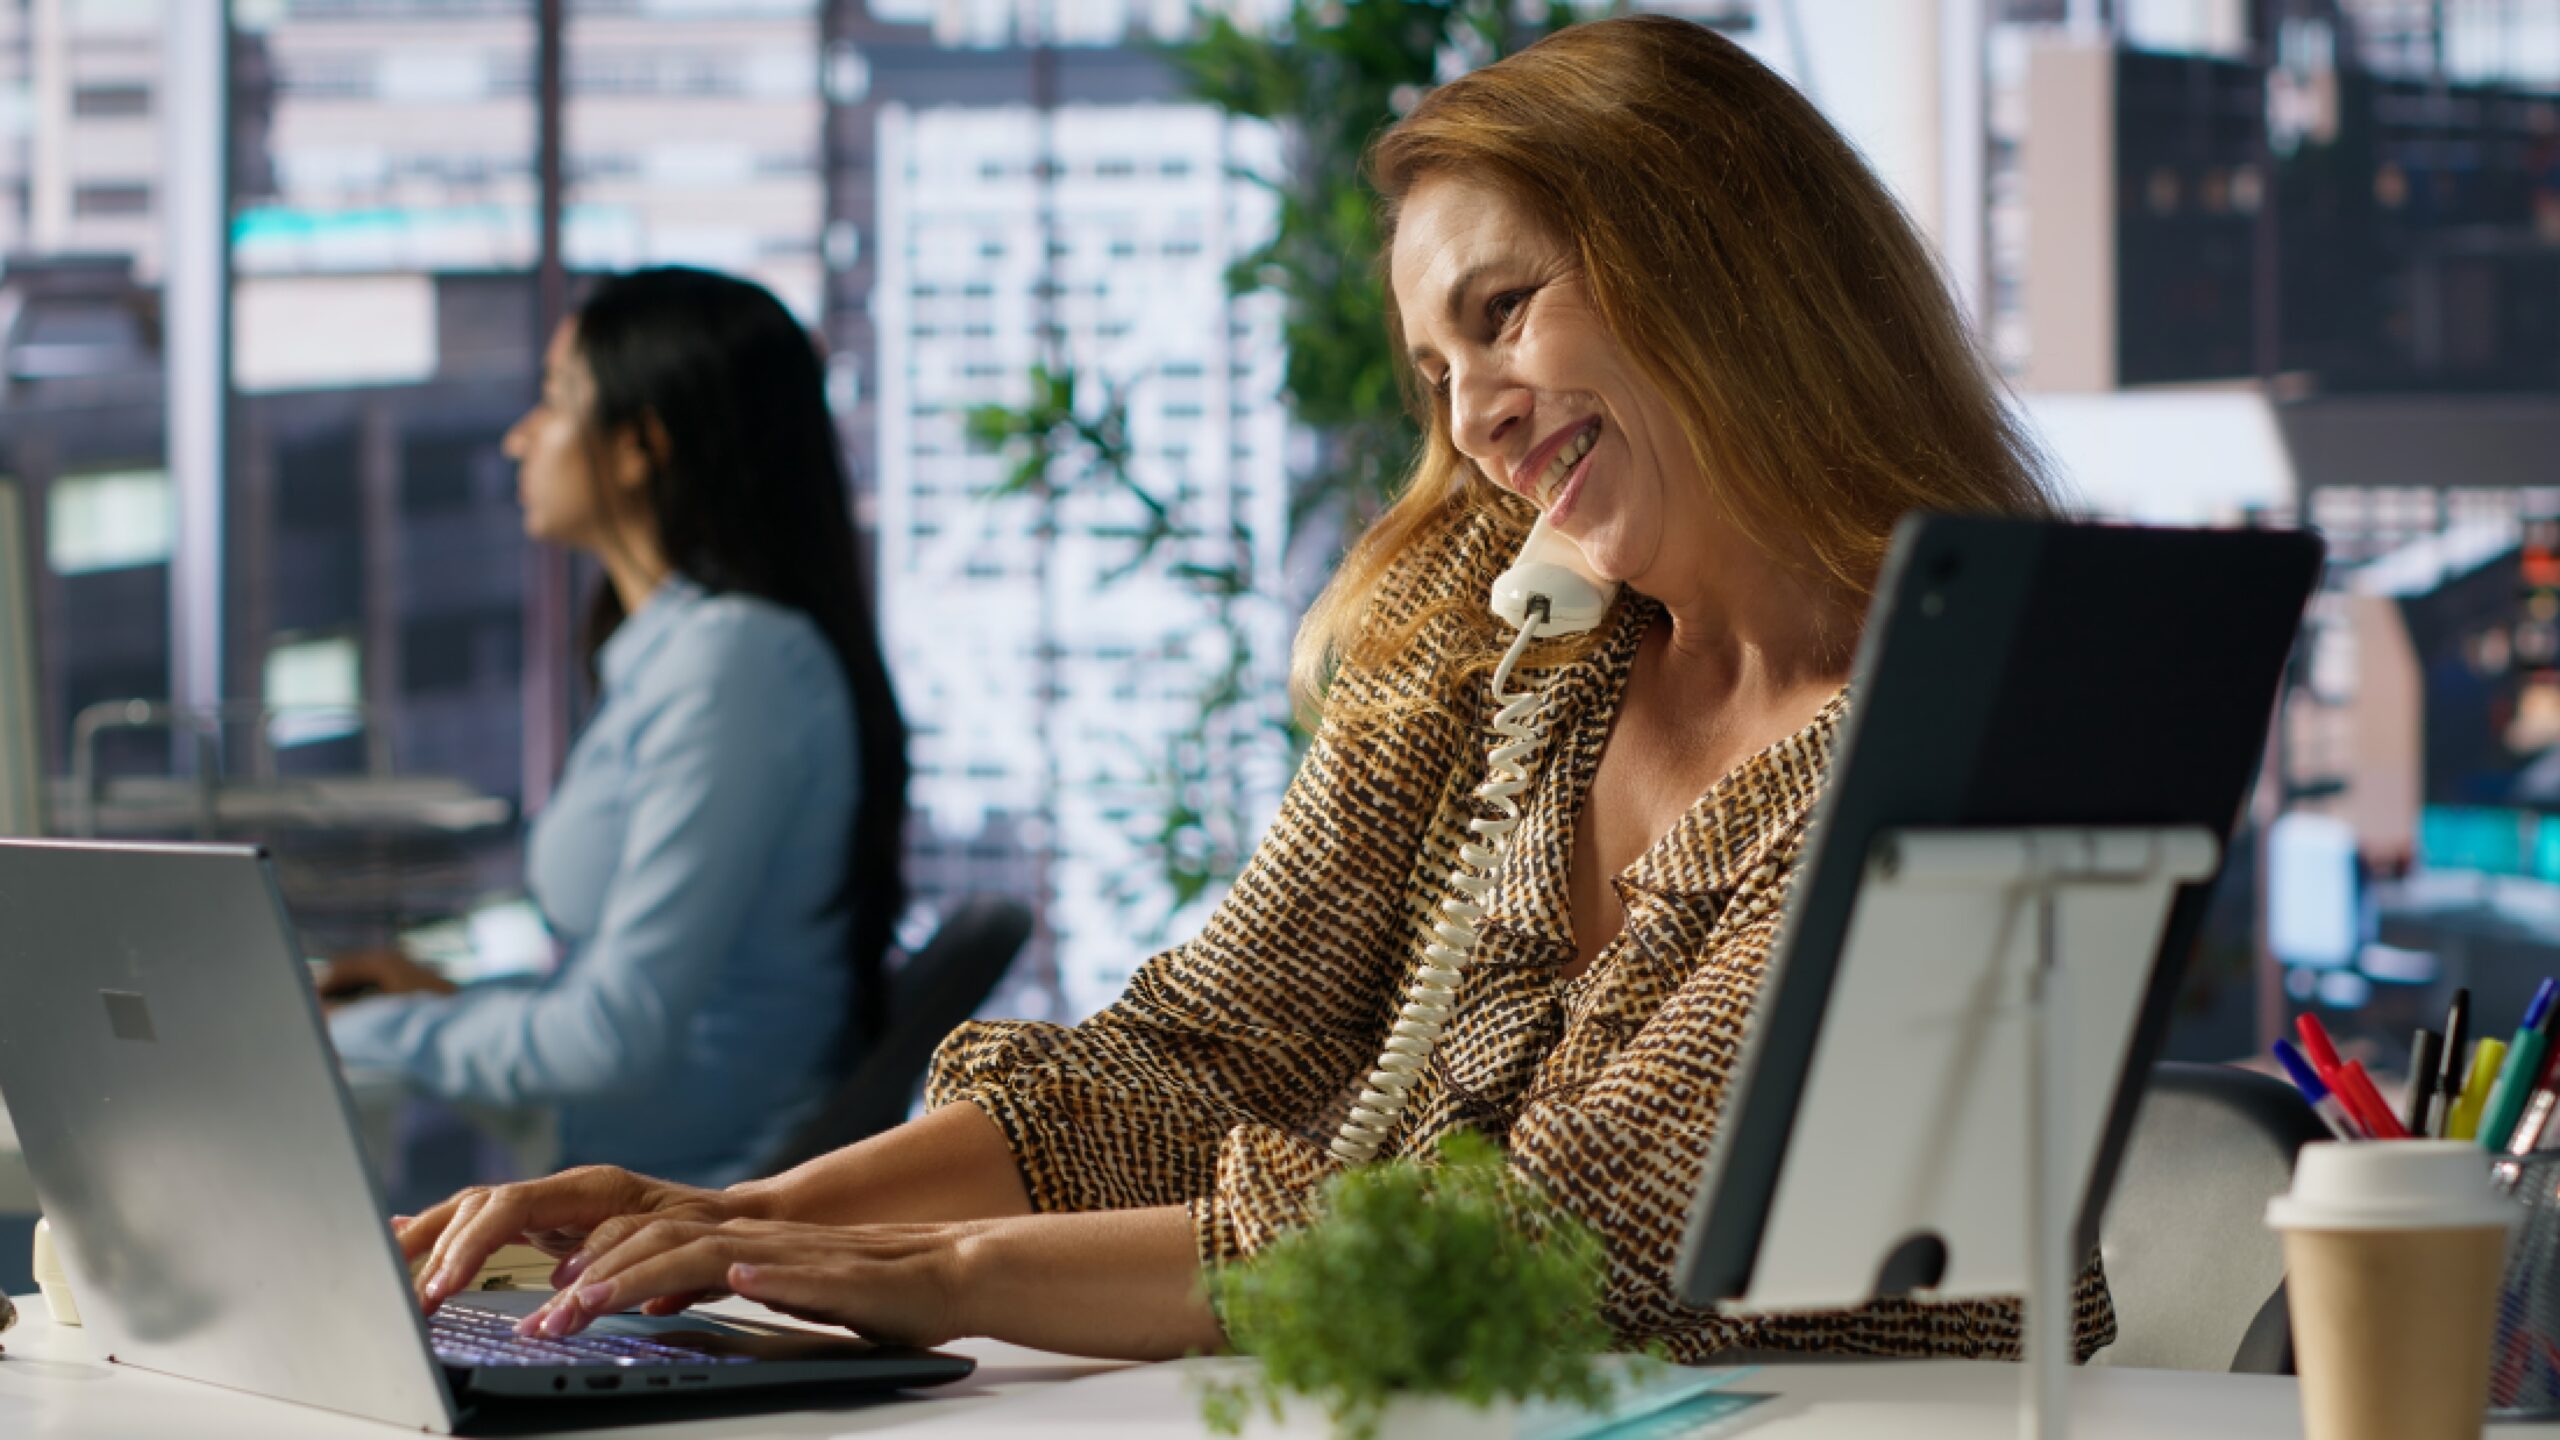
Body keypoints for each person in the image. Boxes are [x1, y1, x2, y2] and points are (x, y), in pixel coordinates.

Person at [393, 18, 2111, 1362]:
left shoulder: (1968, 725)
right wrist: (737, 1215)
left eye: (1507, 313)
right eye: (1436, 369)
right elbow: (1206, 1053)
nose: (1472, 421)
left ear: (1729, 274)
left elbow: (1561, 1239)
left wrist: (933, 1274)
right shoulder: (1502, 639)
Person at [324, 267, 909, 1190]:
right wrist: (453, 1007)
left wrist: (348, 1027)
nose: (522, 437)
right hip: (644, 1180)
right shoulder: (687, 652)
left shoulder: (732, 665)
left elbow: (613, 1040)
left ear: (640, 446)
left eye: (554, 401)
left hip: (697, 1210)